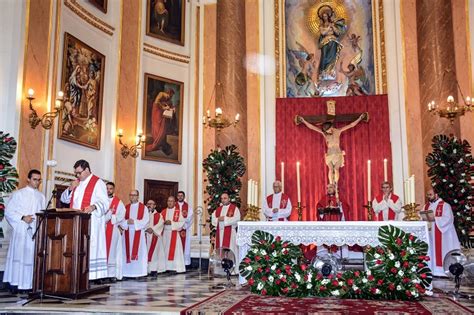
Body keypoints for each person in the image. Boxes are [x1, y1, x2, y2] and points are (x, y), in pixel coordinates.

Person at [60, 160, 109, 281]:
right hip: (76, 221)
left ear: (87, 170)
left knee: (91, 247)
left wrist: (93, 206)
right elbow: (64, 200)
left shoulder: (98, 183)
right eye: (75, 173)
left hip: (92, 221)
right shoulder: (77, 183)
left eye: (79, 173)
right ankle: (78, 272)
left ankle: (93, 276)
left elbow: (105, 202)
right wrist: (71, 189)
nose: (77, 175)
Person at [3, 169, 46, 293]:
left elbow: (42, 213)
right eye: (34, 179)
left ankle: (29, 284)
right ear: (28, 179)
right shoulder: (18, 194)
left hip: (34, 232)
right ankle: (16, 284)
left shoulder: (41, 197)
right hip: (21, 230)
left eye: (39, 180)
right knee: (20, 256)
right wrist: (22, 217)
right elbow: (9, 212)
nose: (37, 182)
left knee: (31, 258)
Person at [296, 112, 368, 185]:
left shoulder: (338, 131)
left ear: (331, 127)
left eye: (329, 130)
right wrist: (303, 121)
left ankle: (336, 184)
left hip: (337, 154)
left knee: (336, 169)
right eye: (327, 131)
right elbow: (312, 127)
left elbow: (351, 125)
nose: (328, 132)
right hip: (330, 154)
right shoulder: (325, 134)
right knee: (330, 169)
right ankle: (331, 184)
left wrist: (360, 118)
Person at [423, 189, 460, 276]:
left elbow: (448, 219)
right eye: (427, 195)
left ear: (436, 194)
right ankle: (433, 270)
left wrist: (435, 219)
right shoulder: (426, 206)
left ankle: (443, 271)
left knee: (442, 251)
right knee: (432, 251)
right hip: (431, 234)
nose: (428, 197)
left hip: (443, 235)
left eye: (430, 195)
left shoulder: (445, 205)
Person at [316, 184, 350, 258]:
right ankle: (325, 256)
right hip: (326, 225)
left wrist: (340, 205)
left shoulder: (340, 198)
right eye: (327, 188)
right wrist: (324, 209)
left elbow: (346, 208)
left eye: (331, 187)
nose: (328, 189)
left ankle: (341, 257)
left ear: (335, 189)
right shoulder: (324, 198)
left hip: (337, 225)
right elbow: (319, 208)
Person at [122, 190, 150, 278]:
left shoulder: (143, 208)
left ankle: (139, 273)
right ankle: (126, 272)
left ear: (138, 196)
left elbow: (146, 220)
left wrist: (134, 222)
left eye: (134, 195)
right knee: (126, 251)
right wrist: (126, 222)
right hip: (127, 232)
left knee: (139, 252)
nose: (132, 197)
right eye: (131, 195)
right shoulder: (126, 207)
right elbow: (121, 220)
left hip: (138, 232)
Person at [316, 5, 347, 81]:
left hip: (333, 41)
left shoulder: (333, 24)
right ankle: (322, 73)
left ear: (328, 16)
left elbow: (337, 33)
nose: (325, 18)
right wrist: (328, 27)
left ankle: (330, 72)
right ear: (321, 18)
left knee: (332, 57)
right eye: (323, 16)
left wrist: (333, 26)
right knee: (324, 57)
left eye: (326, 16)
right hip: (325, 42)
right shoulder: (321, 25)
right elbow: (323, 33)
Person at [104, 182, 126, 281]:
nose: (108, 190)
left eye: (110, 188)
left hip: (113, 229)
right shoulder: (101, 200)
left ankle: (112, 274)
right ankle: (102, 274)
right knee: (102, 251)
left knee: (113, 251)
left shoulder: (118, 202)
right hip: (102, 230)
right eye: (107, 188)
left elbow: (121, 215)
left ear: (114, 189)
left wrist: (110, 216)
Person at [160, 196, 186, 273]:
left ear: (175, 202)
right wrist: (163, 223)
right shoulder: (163, 212)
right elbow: (159, 222)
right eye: (168, 201)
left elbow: (182, 223)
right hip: (165, 234)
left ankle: (175, 267)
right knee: (164, 250)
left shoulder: (178, 212)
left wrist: (171, 223)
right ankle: (165, 267)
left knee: (175, 252)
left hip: (174, 232)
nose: (170, 202)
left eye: (172, 201)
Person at [211, 193, 241, 258]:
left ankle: (232, 266)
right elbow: (213, 220)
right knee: (220, 250)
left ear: (229, 199)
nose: (223, 200)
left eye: (225, 198)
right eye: (222, 198)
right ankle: (221, 266)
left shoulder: (234, 209)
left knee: (231, 250)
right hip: (220, 234)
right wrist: (219, 219)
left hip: (231, 234)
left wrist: (224, 219)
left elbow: (237, 219)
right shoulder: (218, 209)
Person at [146, 89, 175, 153]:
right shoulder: (161, 94)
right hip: (156, 109)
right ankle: (157, 140)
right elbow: (157, 102)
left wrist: (172, 108)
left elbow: (169, 104)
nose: (170, 97)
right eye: (170, 95)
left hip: (161, 110)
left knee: (162, 125)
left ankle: (160, 140)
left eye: (171, 96)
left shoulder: (168, 98)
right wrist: (164, 107)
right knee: (157, 124)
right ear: (168, 93)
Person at [146, 199, 166, 276]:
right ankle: (146, 269)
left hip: (155, 236)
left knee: (154, 253)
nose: (149, 205)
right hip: (146, 236)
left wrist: (153, 229)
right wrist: (146, 229)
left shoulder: (159, 215)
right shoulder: (144, 214)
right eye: (148, 204)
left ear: (155, 206)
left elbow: (161, 224)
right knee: (146, 252)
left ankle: (154, 269)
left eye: (151, 204)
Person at [176, 191, 193, 266]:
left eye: (181, 196)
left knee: (185, 246)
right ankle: (175, 263)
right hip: (175, 230)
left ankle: (184, 263)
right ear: (177, 197)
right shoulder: (174, 206)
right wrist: (177, 225)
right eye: (179, 196)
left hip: (185, 229)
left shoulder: (188, 207)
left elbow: (190, 218)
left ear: (184, 197)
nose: (180, 197)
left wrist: (183, 225)